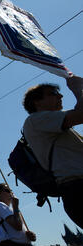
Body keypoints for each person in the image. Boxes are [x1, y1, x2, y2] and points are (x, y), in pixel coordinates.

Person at [22, 75, 83, 228]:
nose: (60, 95)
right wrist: (78, 89)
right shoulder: (35, 120)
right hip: (77, 187)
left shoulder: (51, 123)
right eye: (52, 93)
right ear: (37, 102)